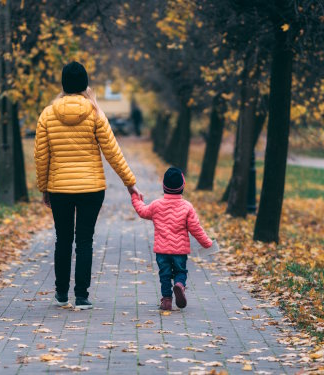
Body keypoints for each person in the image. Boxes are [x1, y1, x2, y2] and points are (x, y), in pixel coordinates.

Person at [34, 61, 143, 310]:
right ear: (85, 84)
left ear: (63, 84)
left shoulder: (47, 115)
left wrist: (44, 188)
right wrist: (130, 183)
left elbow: (41, 156)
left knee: (62, 239)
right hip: (91, 189)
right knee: (84, 241)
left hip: (59, 188)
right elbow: (113, 152)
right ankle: (81, 296)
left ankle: (61, 294)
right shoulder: (95, 113)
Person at [131, 167, 214, 310]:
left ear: (164, 186)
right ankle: (180, 285)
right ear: (183, 186)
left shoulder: (156, 205)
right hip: (180, 251)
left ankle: (167, 300)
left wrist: (134, 197)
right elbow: (196, 229)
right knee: (180, 272)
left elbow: (142, 211)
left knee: (164, 275)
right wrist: (207, 243)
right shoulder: (187, 207)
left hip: (162, 251)